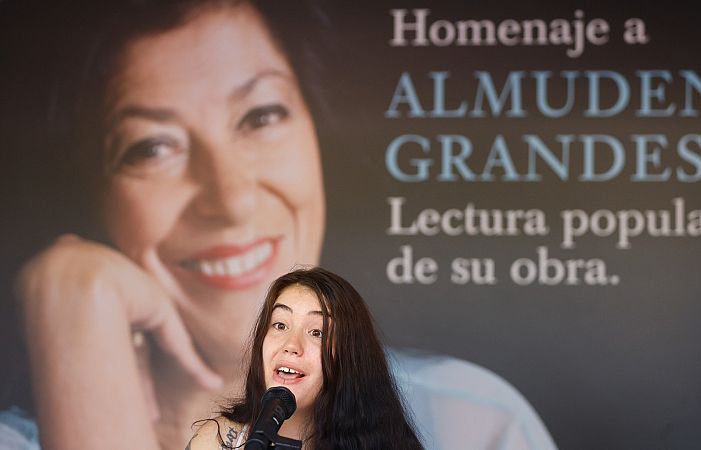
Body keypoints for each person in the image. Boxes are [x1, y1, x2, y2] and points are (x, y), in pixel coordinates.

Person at [0, 1, 557, 449]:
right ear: (90, 198)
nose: (233, 200)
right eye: (151, 148)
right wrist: (74, 309)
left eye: (261, 115)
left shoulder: (473, 422)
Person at [187, 266, 424, 450]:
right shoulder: (218, 441)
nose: (291, 345)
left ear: (349, 358)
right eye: (280, 325)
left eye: (317, 332)